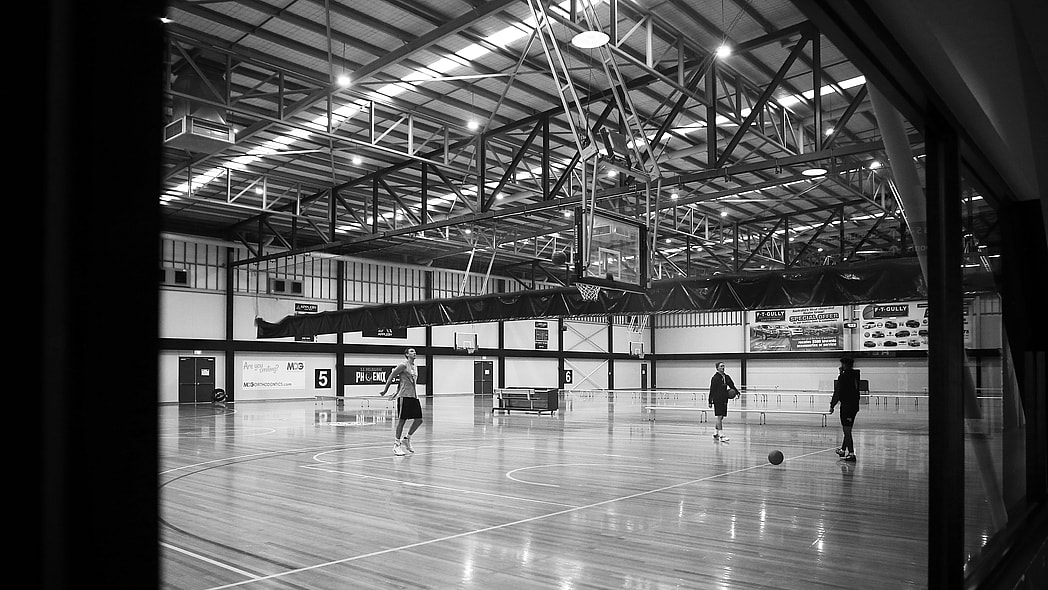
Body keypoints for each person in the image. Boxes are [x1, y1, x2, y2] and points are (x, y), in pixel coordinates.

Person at [380, 347, 423, 456]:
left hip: (414, 396)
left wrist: (397, 390)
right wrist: (386, 390)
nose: (414, 352)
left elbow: (406, 382)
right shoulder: (403, 365)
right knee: (402, 421)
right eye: (412, 351)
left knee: (419, 420)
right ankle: (396, 444)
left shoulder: (415, 367)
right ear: (407, 354)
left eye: (414, 351)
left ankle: (407, 439)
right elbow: (391, 376)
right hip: (404, 396)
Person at [829, 357, 861, 461]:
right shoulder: (855, 375)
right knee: (847, 429)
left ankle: (851, 454)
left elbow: (838, 392)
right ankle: (843, 450)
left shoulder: (843, 376)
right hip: (854, 406)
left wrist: (832, 405)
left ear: (844, 365)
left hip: (847, 406)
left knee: (847, 431)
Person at [708, 361, 740, 441]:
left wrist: (737, 392)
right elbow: (712, 390)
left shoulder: (727, 377)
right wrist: (710, 401)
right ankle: (721, 436)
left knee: (721, 417)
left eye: (723, 366)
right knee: (719, 416)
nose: (723, 367)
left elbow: (732, 386)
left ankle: (715, 433)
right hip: (717, 399)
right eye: (721, 366)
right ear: (717, 368)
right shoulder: (715, 378)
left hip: (724, 398)